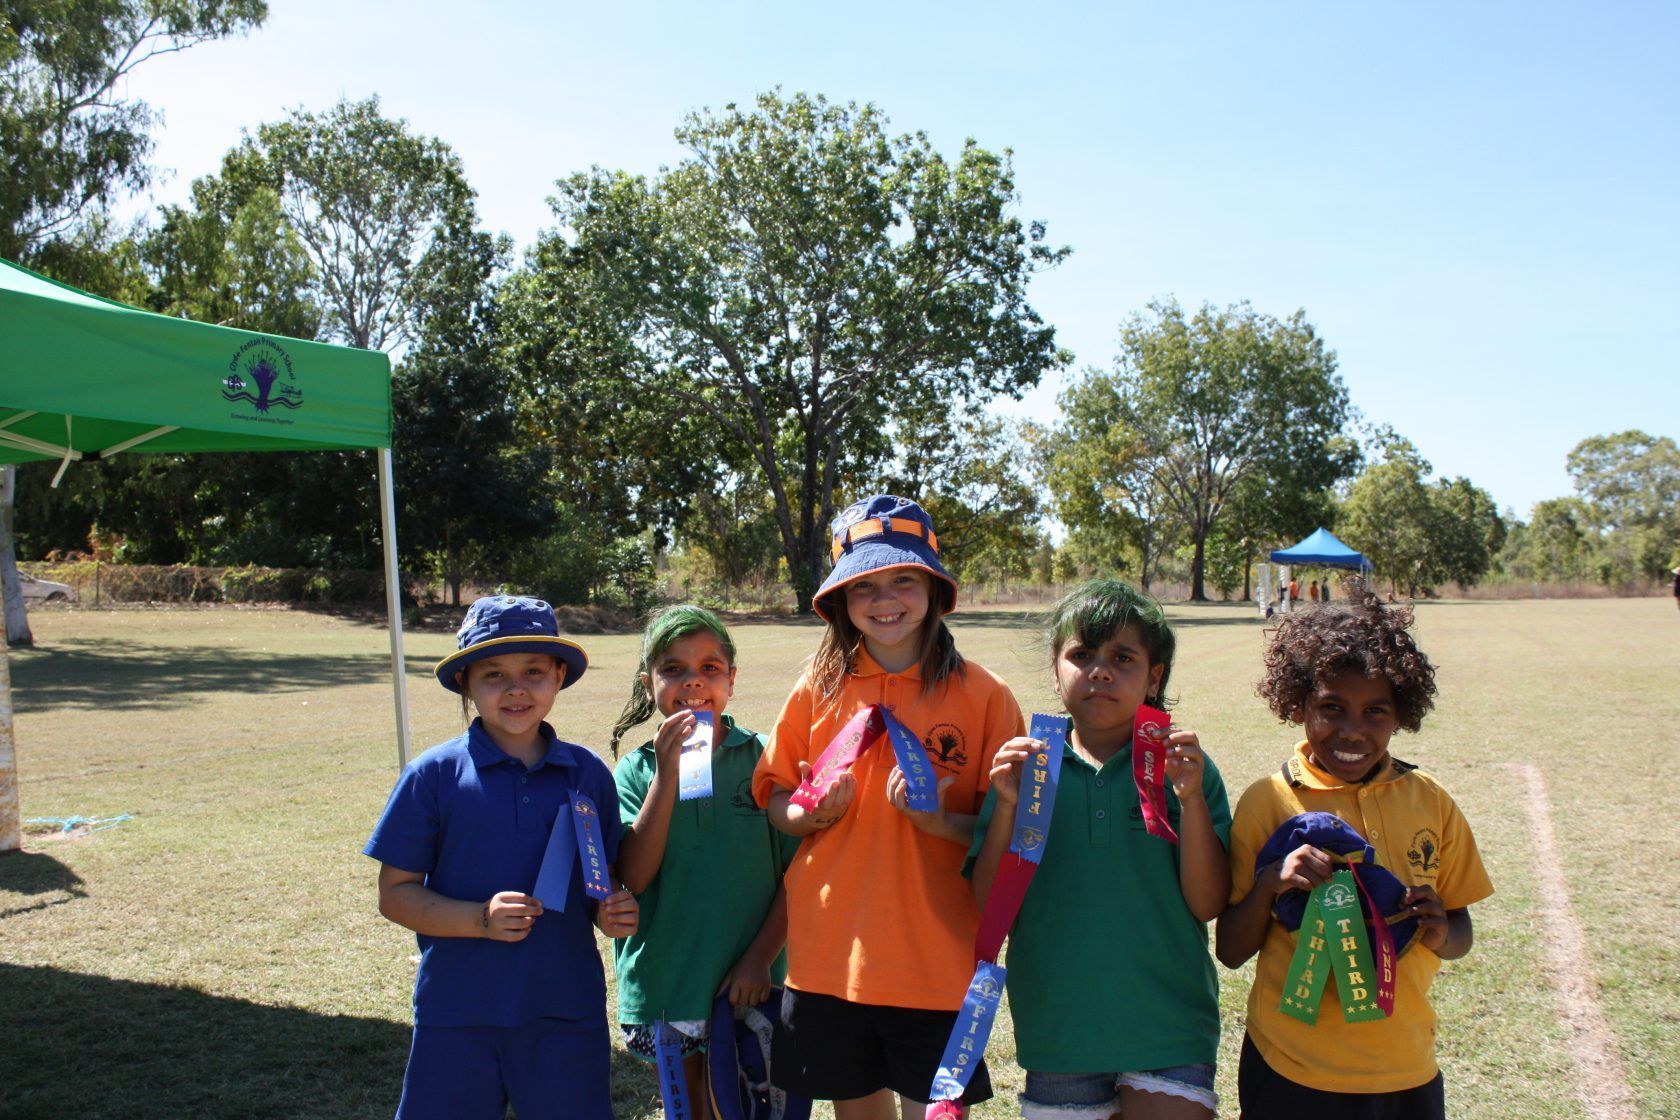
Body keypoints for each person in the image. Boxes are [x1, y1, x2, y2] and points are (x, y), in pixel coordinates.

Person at [753, 494, 1025, 1120]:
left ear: (934, 586)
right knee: (857, 1111)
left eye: (903, 579)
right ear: (840, 601)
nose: (884, 600)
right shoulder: (815, 690)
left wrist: (936, 822)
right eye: (863, 586)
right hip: (829, 957)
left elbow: (1000, 830)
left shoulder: (984, 695)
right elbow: (775, 795)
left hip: (935, 957)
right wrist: (806, 816)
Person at [1216, 593, 1493, 1120]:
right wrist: (1271, 883)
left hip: (1407, 1068)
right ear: (1299, 704)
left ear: (1400, 714)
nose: (1352, 731)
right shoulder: (1267, 802)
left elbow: (1460, 932)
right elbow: (1230, 950)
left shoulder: (1430, 800)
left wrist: (1439, 930)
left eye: (1375, 712)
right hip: (1291, 1068)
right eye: (1332, 708)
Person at [364, 595, 639, 1120]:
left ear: (559, 676)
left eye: (534, 671)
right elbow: (395, 894)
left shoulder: (587, 774)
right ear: (465, 683)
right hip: (458, 1011)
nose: (516, 689)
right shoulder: (433, 775)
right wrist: (478, 920)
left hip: (566, 1010)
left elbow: (605, 885)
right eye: (494, 674)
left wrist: (614, 912)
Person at [967, 579, 1231, 1119]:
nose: (1101, 671)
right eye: (1081, 655)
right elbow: (988, 907)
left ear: (1154, 676)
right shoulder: (1028, 769)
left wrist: (1191, 802)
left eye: (1123, 657)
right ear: (1055, 668)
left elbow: (1207, 904)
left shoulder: (1186, 770)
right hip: (1062, 1029)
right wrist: (1008, 809)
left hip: (1169, 1025)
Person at [610, 605, 800, 1108]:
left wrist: (760, 958)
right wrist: (666, 774)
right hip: (667, 985)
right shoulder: (634, 772)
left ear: (731, 681)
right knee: (691, 1108)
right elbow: (634, 875)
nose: (692, 683)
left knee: (751, 1107)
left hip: (750, 986)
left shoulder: (763, 758)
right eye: (673, 669)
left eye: (710, 669)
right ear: (649, 682)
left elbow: (799, 872)